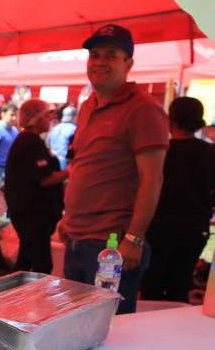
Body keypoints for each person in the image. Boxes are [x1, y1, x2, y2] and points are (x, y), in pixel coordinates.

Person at [58, 24, 169, 314]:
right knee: (73, 325)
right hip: (78, 237)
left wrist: (134, 238)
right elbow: (84, 164)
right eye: (94, 55)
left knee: (108, 332)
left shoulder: (142, 108)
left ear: (128, 64)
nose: (99, 62)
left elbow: (152, 178)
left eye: (110, 55)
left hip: (111, 245)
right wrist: (68, 218)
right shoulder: (87, 105)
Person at [140, 97, 215, 303]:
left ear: (170, 119)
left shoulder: (159, 151)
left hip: (157, 224)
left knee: (151, 284)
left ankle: (149, 329)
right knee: (180, 284)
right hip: (194, 226)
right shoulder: (209, 152)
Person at [5, 99, 68, 273]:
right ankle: (32, 298)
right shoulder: (29, 143)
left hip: (30, 214)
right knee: (42, 265)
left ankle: (13, 296)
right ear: (37, 119)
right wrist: (72, 171)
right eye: (47, 115)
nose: (50, 119)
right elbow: (45, 178)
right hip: (32, 215)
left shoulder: (30, 141)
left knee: (25, 261)